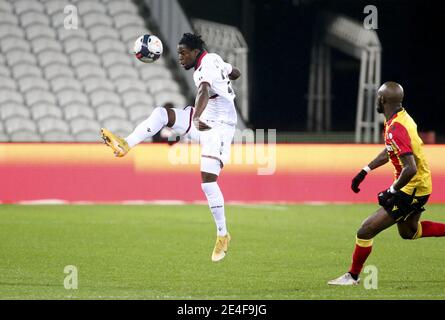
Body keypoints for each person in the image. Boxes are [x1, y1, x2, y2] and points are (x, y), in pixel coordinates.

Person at [101, 33, 241, 262]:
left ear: (195, 52)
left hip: (219, 128)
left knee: (208, 182)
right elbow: (236, 72)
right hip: (204, 121)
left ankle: (222, 234)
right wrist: (226, 75)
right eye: (178, 53)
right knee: (161, 114)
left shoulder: (206, 66)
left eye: (183, 53)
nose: (180, 57)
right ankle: (126, 144)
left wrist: (197, 117)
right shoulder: (213, 60)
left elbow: (204, 90)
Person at [328, 81, 445, 285]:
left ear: (382, 100)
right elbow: (391, 150)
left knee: (365, 230)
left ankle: (352, 276)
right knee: (409, 232)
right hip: (419, 185)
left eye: (377, 96)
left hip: (412, 187)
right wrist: (365, 170)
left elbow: (410, 168)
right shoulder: (400, 119)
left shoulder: (396, 127)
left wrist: (391, 191)